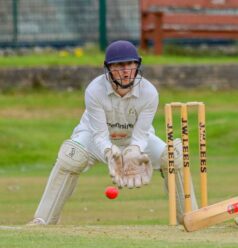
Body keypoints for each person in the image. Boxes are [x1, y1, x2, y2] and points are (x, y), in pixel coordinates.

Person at [28, 40, 194, 225]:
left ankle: (191, 218)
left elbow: (141, 134)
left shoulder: (149, 92)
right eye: (119, 65)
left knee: (174, 156)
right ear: (108, 68)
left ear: (137, 65)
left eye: (131, 64)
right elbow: (99, 134)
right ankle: (43, 221)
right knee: (70, 156)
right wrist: (110, 153)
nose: (126, 70)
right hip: (94, 137)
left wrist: (134, 150)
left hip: (134, 139)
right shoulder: (94, 90)